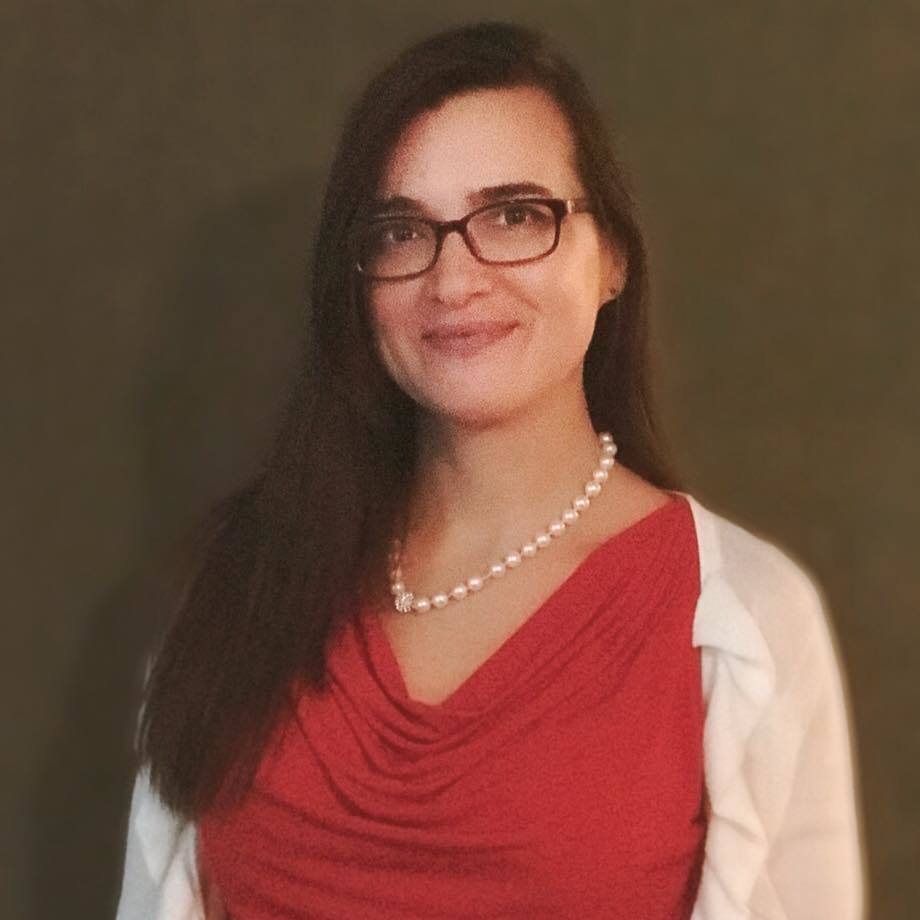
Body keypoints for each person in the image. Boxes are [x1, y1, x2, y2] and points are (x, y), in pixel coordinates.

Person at [114, 20, 866, 920]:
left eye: (515, 216)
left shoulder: (742, 615)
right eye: (402, 231)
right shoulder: (245, 581)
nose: (455, 280)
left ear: (612, 258)